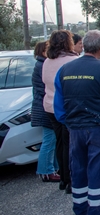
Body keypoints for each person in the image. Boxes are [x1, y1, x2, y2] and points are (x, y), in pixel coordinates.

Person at [54, 30, 100, 215]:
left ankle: (80, 209)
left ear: (83, 46)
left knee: (79, 168)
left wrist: (68, 122)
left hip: (74, 127)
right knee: (99, 169)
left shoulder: (64, 70)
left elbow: (58, 104)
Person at [42, 30, 78, 194]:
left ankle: (63, 178)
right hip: (65, 107)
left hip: (50, 106)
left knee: (59, 142)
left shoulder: (47, 61)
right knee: (70, 144)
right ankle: (71, 179)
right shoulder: (72, 61)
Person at [32, 41, 60, 182]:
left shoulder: (41, 64)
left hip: (44, 106)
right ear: (43, 51)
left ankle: (53, 168)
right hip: (46, 108)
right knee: (49, 140)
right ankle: (46, 171)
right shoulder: (43, 65)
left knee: (52, 140)